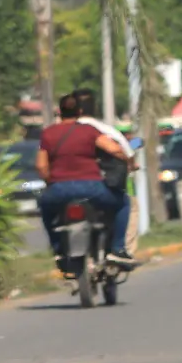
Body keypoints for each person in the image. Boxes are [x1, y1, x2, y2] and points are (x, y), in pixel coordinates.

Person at [35, 94, 136, 267]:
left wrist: (51, 182)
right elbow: (114, 149)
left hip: (59, 189)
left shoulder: (48, 134)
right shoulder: (89, 131)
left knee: (45, 207)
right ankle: (117, 249)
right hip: (92, 188)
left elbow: (41, 166)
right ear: (79, 112)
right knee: (123, 203)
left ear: (60, 112)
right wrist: (129, 162)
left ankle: (58, 249)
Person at [71, 88, 139, 257]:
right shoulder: (102, 130)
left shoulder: (59, 132)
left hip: (64, 187)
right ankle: (121, 249)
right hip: (95, 187)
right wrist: (130, 162)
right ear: (93, 108)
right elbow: (121, 151)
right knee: (127, 204)